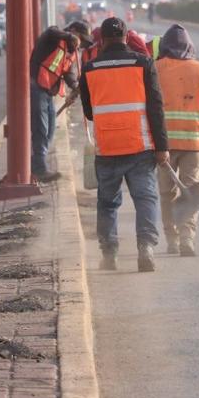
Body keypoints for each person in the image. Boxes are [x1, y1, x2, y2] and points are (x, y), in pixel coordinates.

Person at [80, 17, 169, 272]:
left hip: (107, 147)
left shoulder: (90, 68)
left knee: (107, 202)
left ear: (102, 40)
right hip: (140, 145)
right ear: (127, 37)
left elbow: (88, 112)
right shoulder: (143, 63)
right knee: (145, 198)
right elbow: (156, 107)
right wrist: (162, 147)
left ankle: (109, 254)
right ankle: (146, 248)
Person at [154, 24, 199, 256]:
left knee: (166, 193)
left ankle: (171, 240)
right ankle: (187, 238)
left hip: (162, 144)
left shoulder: (155, 68)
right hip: (193, 143)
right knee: (191, 190)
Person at [30, 20, 92, 183]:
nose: (80, 44)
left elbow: (69, 76)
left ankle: (36, 162)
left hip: (48, 91)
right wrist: (69, 36)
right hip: (36, 86)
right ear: (72, 31)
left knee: (50, 130)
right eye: (81, 38)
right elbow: (51, 31)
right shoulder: (53, 38)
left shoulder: (71, 53)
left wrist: (77, 88)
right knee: (41, 129)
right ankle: (39, 169)